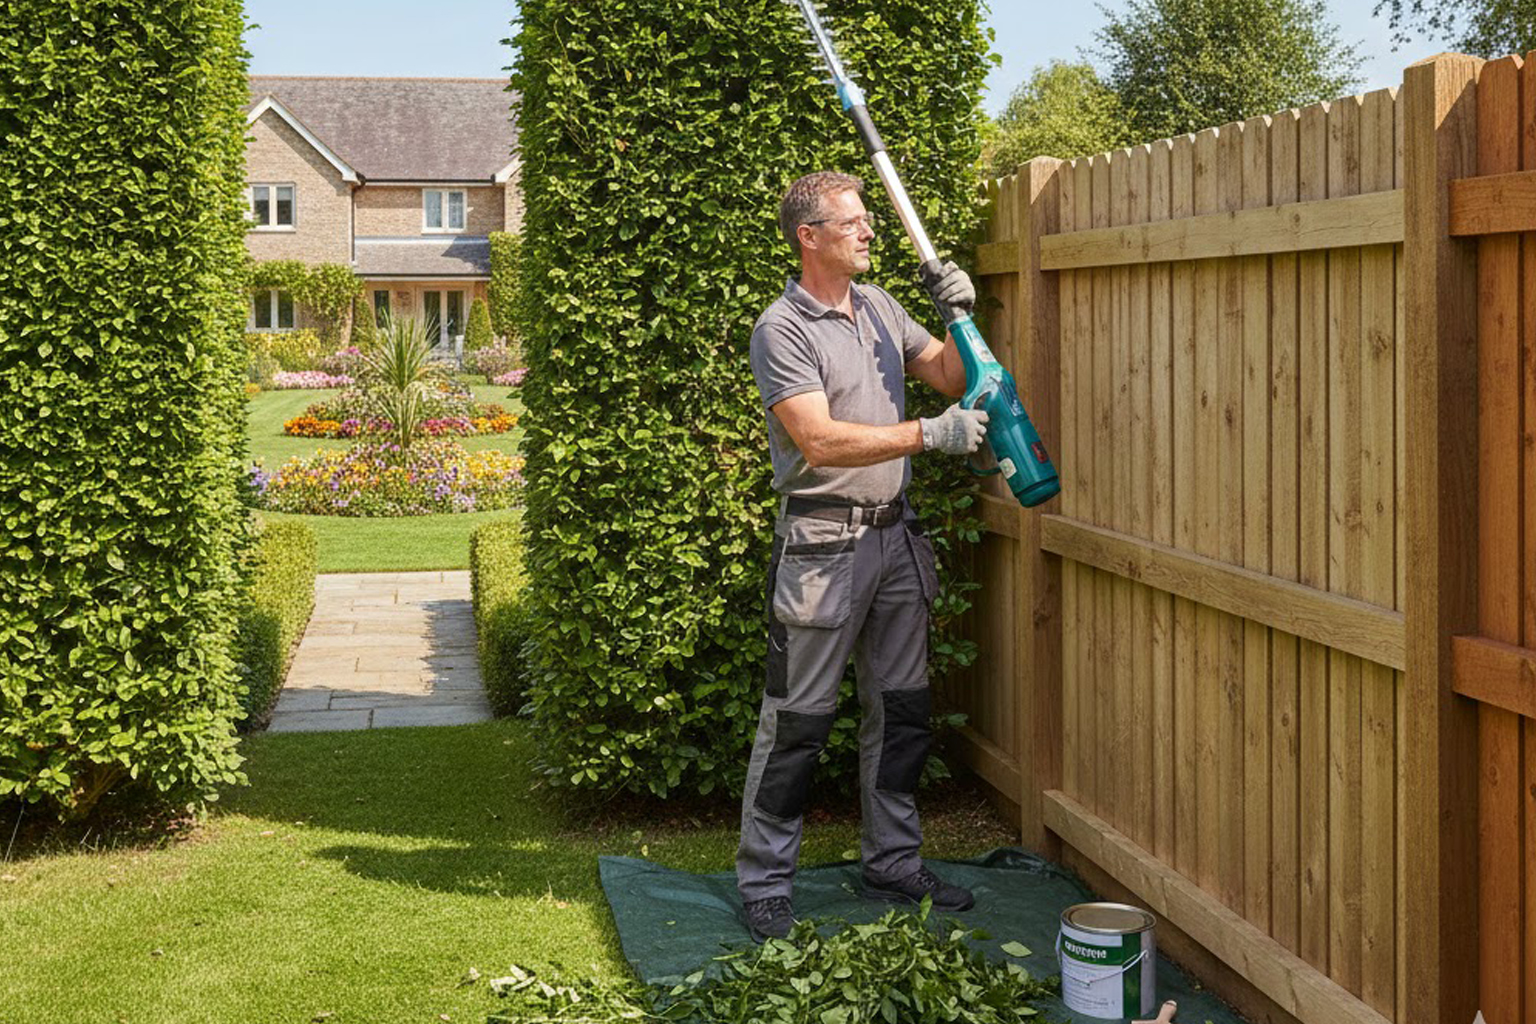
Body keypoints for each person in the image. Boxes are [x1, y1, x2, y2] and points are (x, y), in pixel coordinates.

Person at [737, 170, 989, 941]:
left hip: (895, 540)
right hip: (823, 548)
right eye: (852, 223)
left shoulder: (879, 306)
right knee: (798, 722)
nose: (869, 231)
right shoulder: (782, 328)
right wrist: (929, 435)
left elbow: (948, 375)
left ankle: (893, 862)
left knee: (903, 713)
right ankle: (765, 884)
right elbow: (817, 441)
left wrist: (961, 317)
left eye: (868, 220)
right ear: (809, 236)